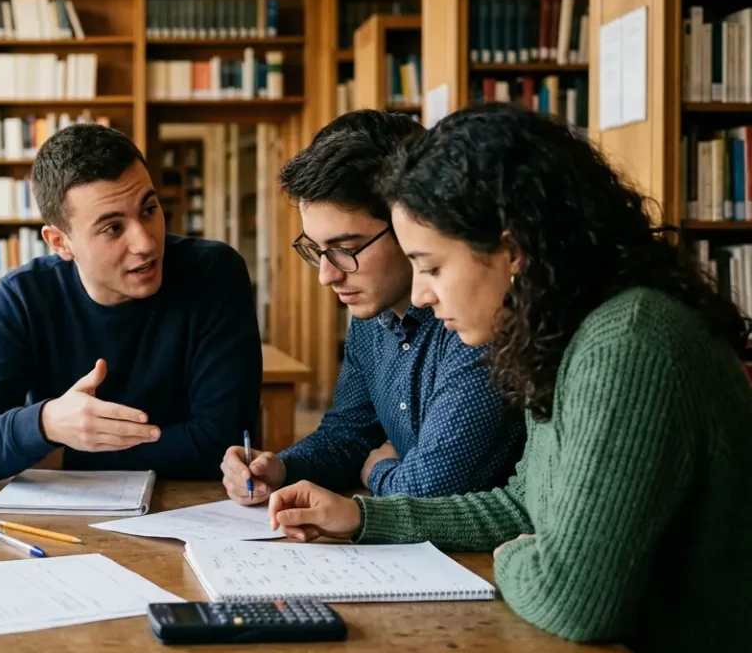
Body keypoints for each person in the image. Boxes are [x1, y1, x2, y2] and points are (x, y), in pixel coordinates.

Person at [265, 104, 752, 650]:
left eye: (431, 266)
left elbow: (575, 602)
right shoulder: (561, 335)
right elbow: (521, 504)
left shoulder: (628, 342)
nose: (422, 295)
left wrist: (518, 554)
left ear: (512, 248)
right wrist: (361, 517)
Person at [220, 110, 524, 504]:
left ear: (411, 221)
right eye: (316, 250)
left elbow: (429, 489)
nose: (327, 276)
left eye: (346, 250)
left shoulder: (473, 318)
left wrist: (376, 470)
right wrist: (280, 467)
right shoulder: (371, 311)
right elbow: (348, 432)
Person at [0, 124, 262, 484]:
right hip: (70, 521)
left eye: (149, 209)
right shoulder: (23, 296)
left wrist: (64, 453)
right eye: (113, 228)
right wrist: (47, 422)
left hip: (196, 514)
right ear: (60, 242)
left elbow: (222, 446)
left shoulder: (214, 273)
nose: (145, 242)